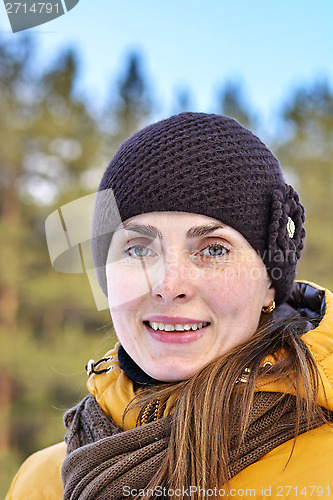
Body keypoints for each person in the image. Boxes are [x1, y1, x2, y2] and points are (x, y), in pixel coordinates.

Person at [6, 112, 333, 499]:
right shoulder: (41, 480)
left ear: (268, 285)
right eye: (139, 249)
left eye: (213, 249)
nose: (169, 286)